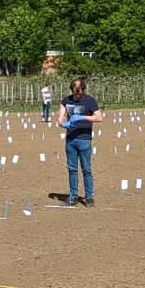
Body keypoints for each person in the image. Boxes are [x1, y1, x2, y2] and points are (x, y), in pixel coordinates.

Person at [60, 76, 100, 206]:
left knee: (86, 169)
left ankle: (89, 198)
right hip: (70, 139)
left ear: (83, 89)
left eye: (80, 92)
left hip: (84, 139)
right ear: (72, 90)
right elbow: (60, 118)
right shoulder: (66, 100)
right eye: (75, 92)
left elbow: (99, 117)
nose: (78, 95)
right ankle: (73, 196)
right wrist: (63, 124)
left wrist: (82, 117)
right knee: (72, 169)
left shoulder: (90, 101)